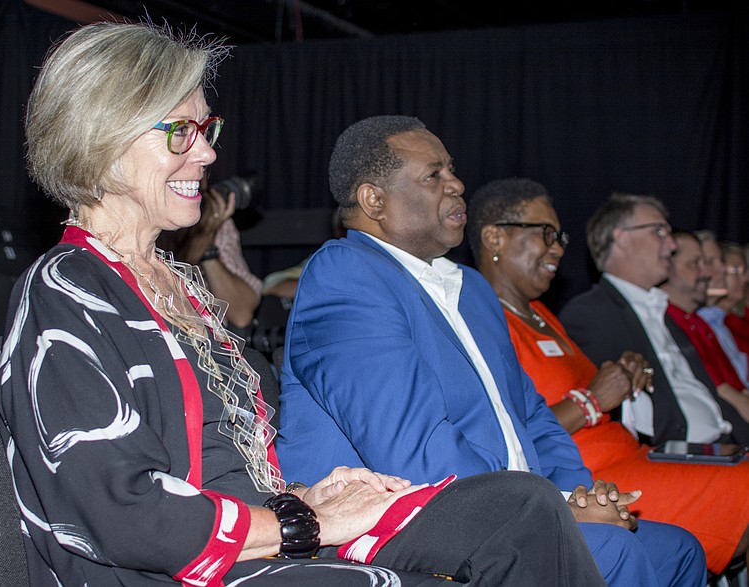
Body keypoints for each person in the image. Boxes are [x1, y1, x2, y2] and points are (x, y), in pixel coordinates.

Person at [0, 22, 609, 587]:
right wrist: (305, 521)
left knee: (522, 507)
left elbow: (229, 466)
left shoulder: (176, 285)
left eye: (207, 130)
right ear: (100, 139)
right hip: (180, 572)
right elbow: (123, 513)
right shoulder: (66, 289)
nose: (206, 153)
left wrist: (309, 496)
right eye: (180, 131)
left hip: (265, 538)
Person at [277, 115, 706, 586]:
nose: (457, 184)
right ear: (374, 200)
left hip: (511, 510)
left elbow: (530, 415)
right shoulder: (347, 275)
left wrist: (580, 495)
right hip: (401, 521)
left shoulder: (474, 290)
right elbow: (411, 449)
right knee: (617, 552)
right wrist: (558, 510)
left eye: (452, 169)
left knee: (678, 550)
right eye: (433, 175)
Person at [467, 177, 749, 576]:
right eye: (546, 233)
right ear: (494, 237)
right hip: (588, 479)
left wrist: (623, 374)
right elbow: (506, 436)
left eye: (560, 236)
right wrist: (593, 401)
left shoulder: (543, 315)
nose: (558, 248)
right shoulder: (481, 321)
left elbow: (592, 390)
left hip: (633, 454)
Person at [558, 193, 749, 447]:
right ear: (622, 238)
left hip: (725, 445)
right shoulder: (589, 314)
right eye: (659, 231)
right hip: (676, 454)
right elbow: (619, 414)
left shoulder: (665, 313)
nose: (671, 244)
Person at [157, 183, 262, 334]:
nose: (195, 173)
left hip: (203, 337)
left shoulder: (215, 218)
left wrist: (207, 245)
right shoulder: (144, 219)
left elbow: (241, 314)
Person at [661, 231, 749, 403]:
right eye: (697, 263)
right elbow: (722, 393)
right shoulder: (673, 321)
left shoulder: (701, 323)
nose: (713, 272)